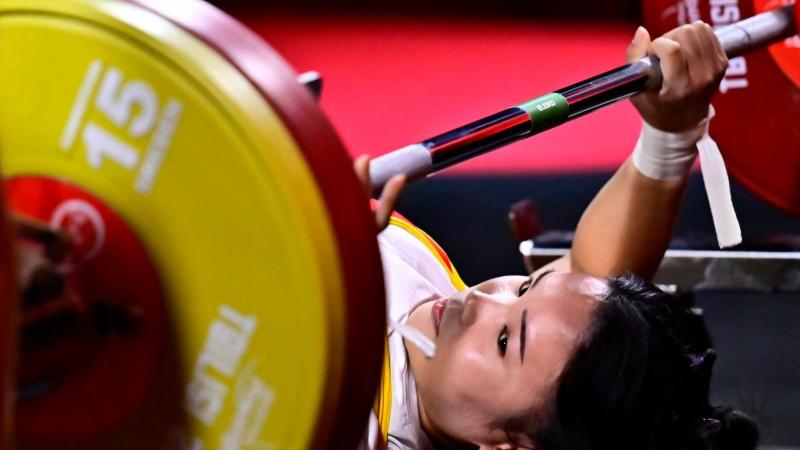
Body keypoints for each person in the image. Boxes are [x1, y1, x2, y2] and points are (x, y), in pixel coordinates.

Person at [356, 21, 758, 450]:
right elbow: (588, 273)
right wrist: (670, 135)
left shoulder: (340, 420)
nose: (479, 299)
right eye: (527, 285)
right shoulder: (436, 328)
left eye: (505, 340)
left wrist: (323, 255)